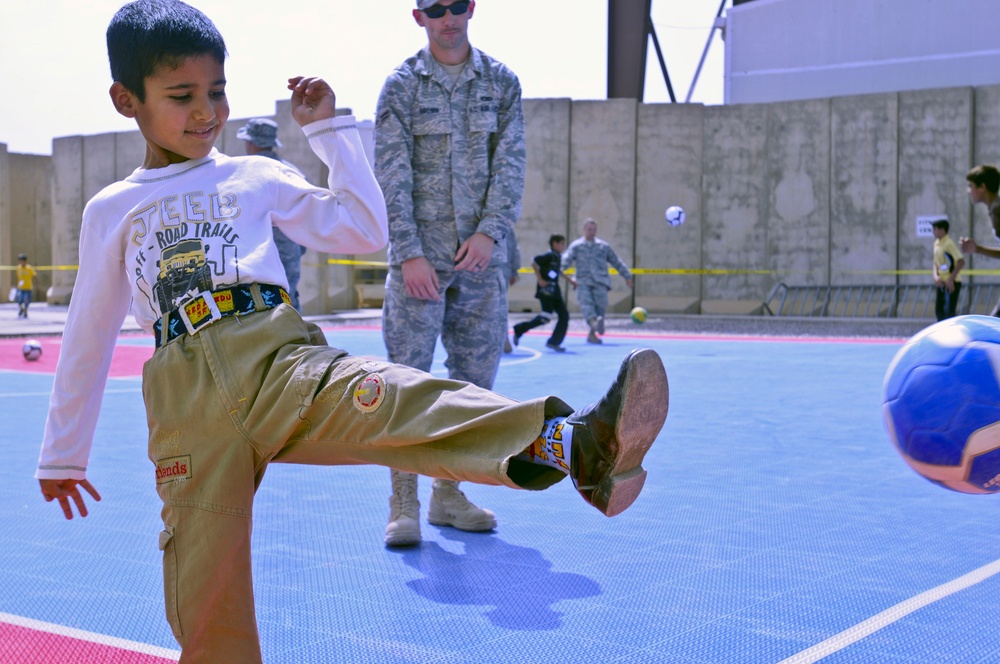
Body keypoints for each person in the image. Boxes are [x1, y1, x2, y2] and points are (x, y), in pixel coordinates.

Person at [34, 2, 669, 661]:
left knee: (401, 396)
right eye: (181, 96)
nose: (206, 112)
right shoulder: (112, 209)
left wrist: (332, 133)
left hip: (278, 360)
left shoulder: (254, 175)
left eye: (216, 91)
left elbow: (366, 230)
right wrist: (62, 453)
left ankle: (580, 446)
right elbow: (87, 331)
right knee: (207, 591)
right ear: (125, 99)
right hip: (186, 401)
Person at [374, 0, 527, 546]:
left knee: (474, 383)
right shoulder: (402, 86)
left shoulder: (502, 83)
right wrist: (409, 252)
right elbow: (390, 175)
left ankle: (449, 494)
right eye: (435, 8)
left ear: (472, 8)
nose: (448, 17)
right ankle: (403, 501)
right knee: (408, 383)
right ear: (418, 17)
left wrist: (490, 233)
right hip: (421, 261)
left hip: (481, 263)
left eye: (456, 5)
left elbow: (511, 163)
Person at [237, 117, 308, 311]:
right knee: (289, 301)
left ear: (250, 143)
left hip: (254, 252)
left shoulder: (243, 173)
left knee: (256, 307)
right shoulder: (292, 172)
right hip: (289, 250)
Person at [561, 218, 634, 344]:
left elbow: (616, 261)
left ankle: (592, 333)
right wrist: (558, 268)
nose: (592, 232)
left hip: (600, 281)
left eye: (594, 229)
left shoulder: (603, 246)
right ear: (584, 230)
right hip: (582, 281)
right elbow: (566, 260)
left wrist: (627, 276)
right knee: (587, 305)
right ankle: (594, 324)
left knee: (600, 308)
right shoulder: (577, 246)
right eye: (589, 229)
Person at [513, 234, 573, 352]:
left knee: (564, 315)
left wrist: (571, 281)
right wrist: (540, 279)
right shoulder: (549, 256)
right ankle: (519, 329)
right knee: (545, 317)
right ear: (554, 243)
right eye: (561, 243)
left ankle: (554, 342)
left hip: (555, 291)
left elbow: (558, 272)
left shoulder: (557, 257)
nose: (562, 246)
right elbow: (534, 261)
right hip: (546, 291)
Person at [960, 164, 1000, 315]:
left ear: (982, 187)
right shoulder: (995, 209)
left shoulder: (997, 210)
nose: (968, 191)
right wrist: (977, 249)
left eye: (970, 186)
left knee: (994, 324)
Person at [930, 219, 964, 320]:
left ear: (942, 230)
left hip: (952, 282)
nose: (933, 231)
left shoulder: (949, 243)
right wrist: (936, 276)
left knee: (949, 312)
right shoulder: (936, 243)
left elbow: (961, 261)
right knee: (939, 311)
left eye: (935, 229)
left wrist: (950, 279)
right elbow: (936, 263)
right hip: (942, 282)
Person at [503, 231, 521, 353]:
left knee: (499, 309)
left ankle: (503, 340)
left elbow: (514, 249)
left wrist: (514, 271)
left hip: (500, 273)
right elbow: (515, 250)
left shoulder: (507, 227)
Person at [15, 253, 37, 319]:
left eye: (22, 260)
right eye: (20, 260)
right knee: (19, 299)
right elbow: (17, 277)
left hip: (28, 287)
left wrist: (37, 284)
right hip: (20, 288)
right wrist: (15, 285)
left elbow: (34, 276)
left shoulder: (29, 268)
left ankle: (26, 312)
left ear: (25, 261)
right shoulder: (18, 268)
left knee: (26, 300)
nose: (21, 262)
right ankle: (21, 309)